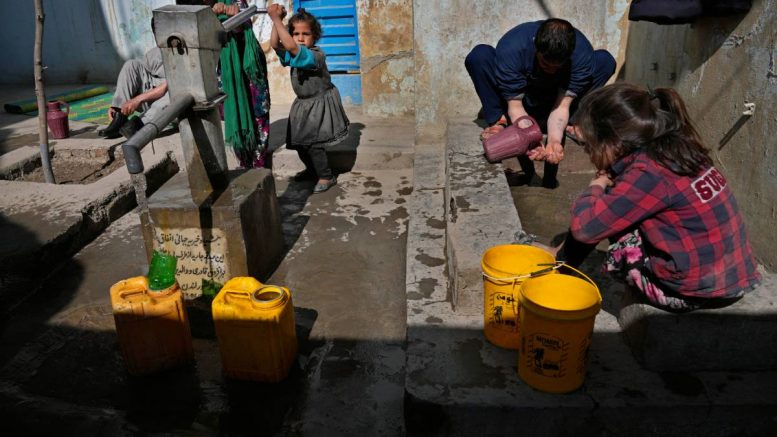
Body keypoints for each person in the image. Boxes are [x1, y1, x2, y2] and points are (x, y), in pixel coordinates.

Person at [544, 83, 761, 312]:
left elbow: (584, 228)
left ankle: (562, 263)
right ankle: (562, 257)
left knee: (608, 209)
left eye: (590, 147)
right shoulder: (678, 146)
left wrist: (596, 184)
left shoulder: (648, 172)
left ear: (613, 141)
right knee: (618, 203)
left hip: (694, 292)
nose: (589, 155)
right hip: (734, 277)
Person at [465, 18, 616, 188]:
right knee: (480, 55)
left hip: (555, 100)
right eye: (545, 63)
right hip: (521, 101)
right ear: (536, 48)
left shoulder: (581, 53)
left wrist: (554, 141)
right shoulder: (513, 47)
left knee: (604, 60)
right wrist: (531, 137)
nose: (551, 69)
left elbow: (562, 107)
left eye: (557, 66)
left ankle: (575, 121)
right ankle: (498, 120)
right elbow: (516, 107)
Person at [179, 0, 272, 169]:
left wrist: (234, 16)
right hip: (225, 69)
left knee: (257, 115)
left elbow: (244, 27)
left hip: (248, 65)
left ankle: (259, 168)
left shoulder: (235, 2)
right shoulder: (198, 9)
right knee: (234, 112)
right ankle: (244, 165)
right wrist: (209, 16)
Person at [268, 4, 349, 193]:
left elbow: (290, 46)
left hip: (319, 104)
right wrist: (276, 21)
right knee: (299, 144)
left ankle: (326, 176)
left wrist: (276, 19)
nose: (300, 38)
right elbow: (274, 44)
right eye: (295, 34)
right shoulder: (293, 52)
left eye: (306, 34)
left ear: (315, 36)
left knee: (314, 145)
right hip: (304, 105)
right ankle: (313, 170)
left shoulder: (316, 56)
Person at [99, 44, 168, 139]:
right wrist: (117, 105)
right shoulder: (163, 44)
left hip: (169, 99)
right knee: (131, 65)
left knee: (176, 92)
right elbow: (143, 66)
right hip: (153, 88)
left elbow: (168, 86)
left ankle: (138, 125)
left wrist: (138, 99)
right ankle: (119, 117)